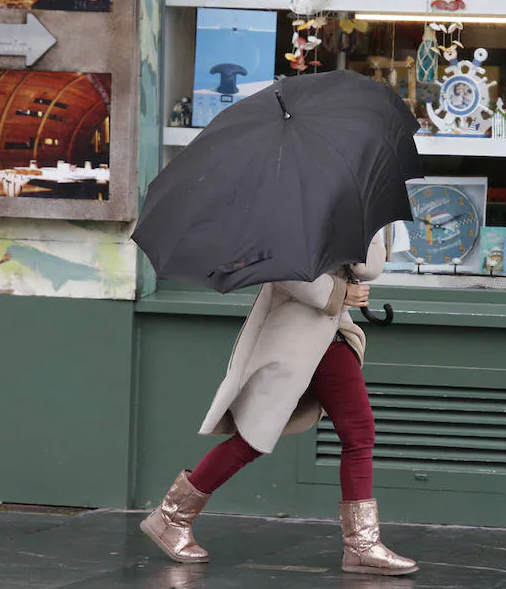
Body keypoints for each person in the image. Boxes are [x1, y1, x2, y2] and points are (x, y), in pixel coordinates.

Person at [141, 233, 418, 576]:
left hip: (332, 335)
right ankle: (171, 516)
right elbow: (280, 267)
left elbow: (368, 268)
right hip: (293, 340)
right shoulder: (292, 204)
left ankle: (362, 545)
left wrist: (372, 230)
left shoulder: (345, 200)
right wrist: (338, 293)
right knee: (253, 438)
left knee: (358, 431)